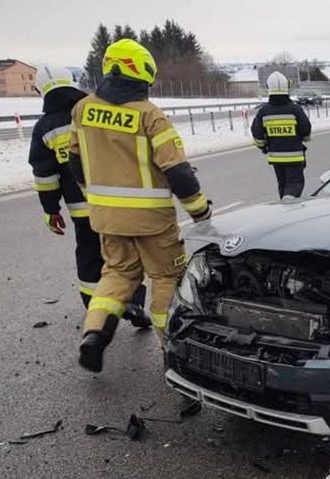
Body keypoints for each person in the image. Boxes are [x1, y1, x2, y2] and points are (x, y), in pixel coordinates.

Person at [68, 39, 213, 372]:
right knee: (166, 278)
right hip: (153, 222)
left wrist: (94, 195)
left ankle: (95, 335)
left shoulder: (82, 109)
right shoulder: (150, 116)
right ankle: (171, 350)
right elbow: (179, 173)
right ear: (142, 71)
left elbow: (75, 163)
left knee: (117, 274)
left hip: (106, 219)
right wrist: (200, 212)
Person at [28, 64, 151, 327]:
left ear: (41, 90)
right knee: (127, 255)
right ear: (73, 82)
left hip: (82, 210)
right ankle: (134, 303)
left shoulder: (44, 128)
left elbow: (45, 176)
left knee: (88, 256)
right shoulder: (95, 110)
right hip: (117, 203)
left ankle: (96, 311)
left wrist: (51, 210)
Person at [251, 71, 312, 199]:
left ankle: (285, 210)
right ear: (286, 87)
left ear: (269, 88)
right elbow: (306, 130)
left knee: (283, 186)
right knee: (295, 185)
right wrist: (304, 139)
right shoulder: (295, 109)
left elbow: (257, 134)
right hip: (295, 157)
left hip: (276, 158)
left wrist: (263, 147)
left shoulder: (264, 111)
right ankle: (289, 206)